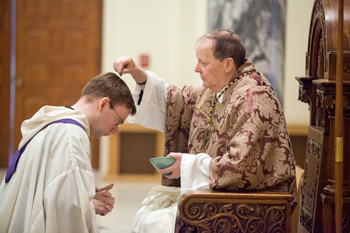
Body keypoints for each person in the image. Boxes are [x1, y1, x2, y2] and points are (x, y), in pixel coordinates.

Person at [113, 29, 297, 233]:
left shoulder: (254, 99)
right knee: (148, 212)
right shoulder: (220, 89)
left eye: (203, 63)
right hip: (223, 197)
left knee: (155, 224)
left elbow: (242, 167)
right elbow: (176, 102)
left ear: (228, 64)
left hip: (256, 208)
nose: (196, 69)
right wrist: (137, 72)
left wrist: (188, 164)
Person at [0, 72, 137, 233]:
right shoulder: (71, 136)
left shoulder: (55, 123)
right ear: (104, 104)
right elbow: (65, 211)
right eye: (118, 121)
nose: (115, 130)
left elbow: (49, 188)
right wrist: (89, 206)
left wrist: (83, 194)